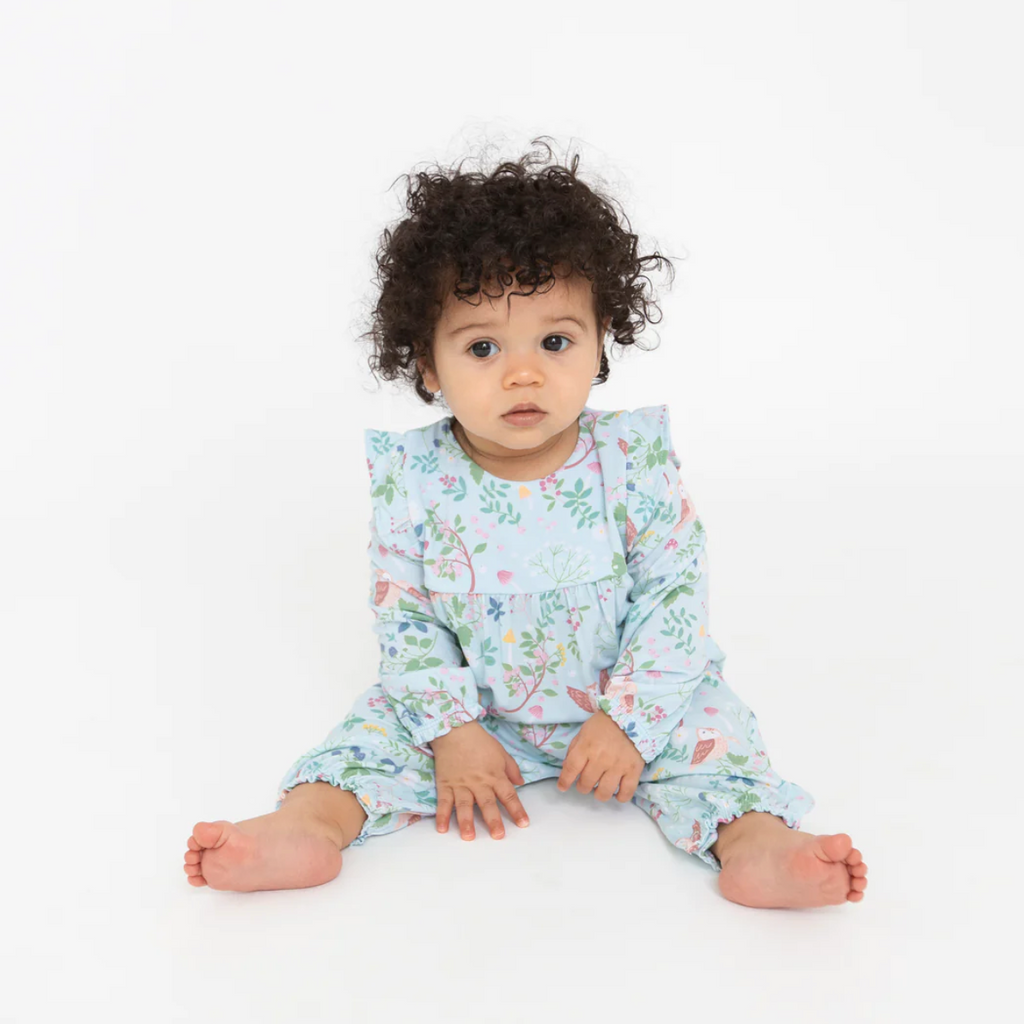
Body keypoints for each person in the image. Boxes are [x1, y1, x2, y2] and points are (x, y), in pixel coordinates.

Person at [182, 139, 868, 908]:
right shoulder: (415, 479)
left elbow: (674, 597)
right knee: (370, 739)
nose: (523, 373)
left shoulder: (632, 459)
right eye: (482, 347)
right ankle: (306, 826)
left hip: (626, 700)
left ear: (600, 342)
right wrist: (453, 732)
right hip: (477, 713)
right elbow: (407, 618)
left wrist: (630, 722)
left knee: (714, 740)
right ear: (428, 365)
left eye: (555, 341)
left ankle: (756, 845)